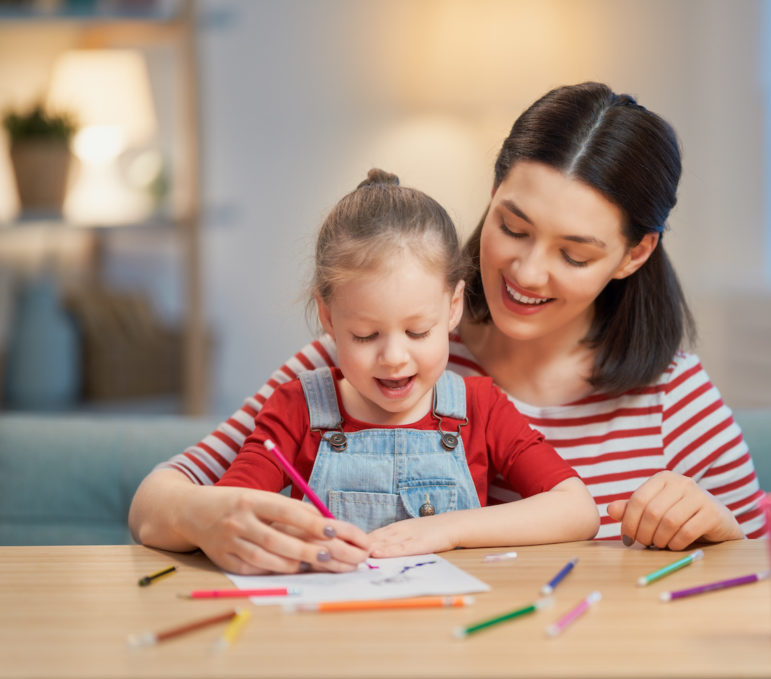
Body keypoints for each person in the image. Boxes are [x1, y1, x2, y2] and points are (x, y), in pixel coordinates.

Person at [129, 82, 766, 576]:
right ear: (492, 193)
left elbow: (759, 576)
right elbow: (159, 500)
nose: (527, 271)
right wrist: (210, 517)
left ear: (634, 254)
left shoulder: (673, 398)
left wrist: (720, 529)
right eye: (512, 227)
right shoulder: (359, 361)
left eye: (574, 254)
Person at [211, 169, 598, 566]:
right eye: (365, 335)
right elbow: (226, 513)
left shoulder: (480, 408)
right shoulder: (296, 411)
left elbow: (578, 511)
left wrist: (447, 530)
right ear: (328, 317)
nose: (394, 357)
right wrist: (283, 535)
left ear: (452, 307)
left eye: (417, 331)